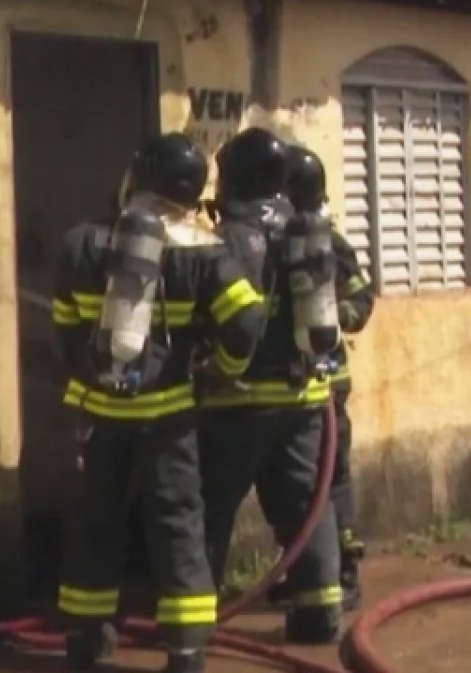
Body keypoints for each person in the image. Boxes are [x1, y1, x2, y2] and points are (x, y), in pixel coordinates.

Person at [51, 132, 265, 673]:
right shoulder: (204, 252)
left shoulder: (80, 244)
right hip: (169, 418)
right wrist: (223, 370)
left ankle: (86, 643)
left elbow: (66, 328)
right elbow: (245, 321)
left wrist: (93, 375)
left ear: (137, 177)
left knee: (95, 524)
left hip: (99, 417)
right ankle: (187, 653)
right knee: (177, 527)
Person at [197, 127, 344, 645]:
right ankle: (319, 613)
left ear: (235, 178)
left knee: (208, 508)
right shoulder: (303, 229)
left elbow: (232, 319)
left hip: (235, 401)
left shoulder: (228, 237)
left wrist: (220, 367)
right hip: (302, 398)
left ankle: (195, 621)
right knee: (306, 507)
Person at [266, 144, 376, 611]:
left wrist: (330, 318)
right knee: (296, 485)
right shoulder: (276, 238)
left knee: (332, 479)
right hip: (292, 381)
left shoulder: (329, 242)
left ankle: (345, 572)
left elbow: (362, 302)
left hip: (328, 380)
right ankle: (303, 570)